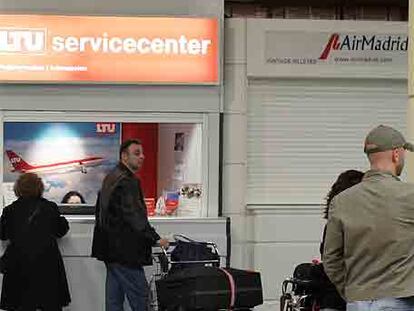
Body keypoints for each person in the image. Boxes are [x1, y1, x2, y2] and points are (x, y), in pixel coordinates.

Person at [323, 125, 414, 311]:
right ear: (396, 155)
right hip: (401, 300)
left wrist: (351, 292)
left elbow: (331, 258)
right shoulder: (410, 196)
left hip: (357, 302)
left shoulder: (341, 201)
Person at [91, 139, 169, 311]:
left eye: (142, 153)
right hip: (125, 252)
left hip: (109, 250)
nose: (142, 157)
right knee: (141, 297)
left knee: (114, 298)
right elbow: (134, 217)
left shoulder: (111, 177)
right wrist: (156, 239)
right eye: (136, 153)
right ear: (124, 156)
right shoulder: (128, 182)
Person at [0, 173, 70, 311]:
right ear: (40, 188)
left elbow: (2, 234)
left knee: (21, 305)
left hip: (19, 267)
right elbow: (61, 230)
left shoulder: (10, 210)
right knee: (50, 304)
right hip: (47, 267)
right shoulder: (50, 208)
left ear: (18, 188)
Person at [319, 170, 364, 311]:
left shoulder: (333, 223)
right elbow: (331, 261)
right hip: (345, 298)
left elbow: (329, 260)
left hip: (337, 297)